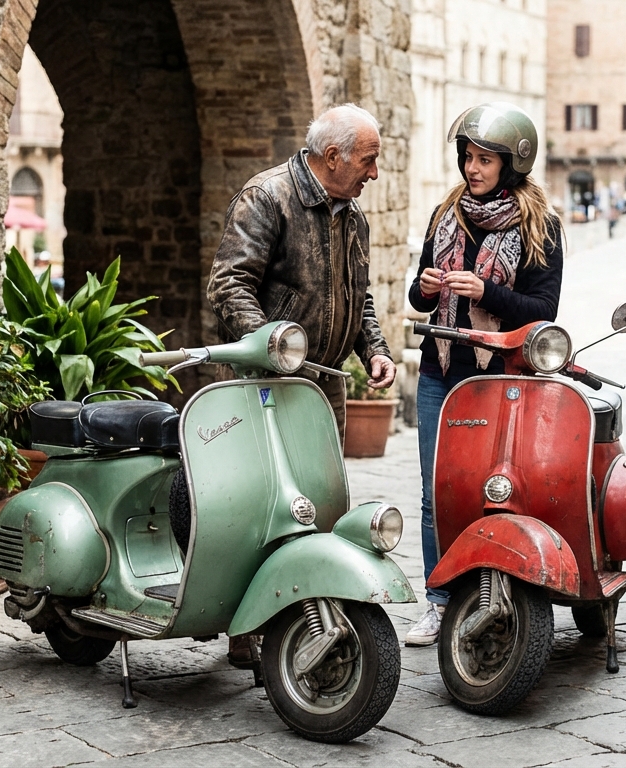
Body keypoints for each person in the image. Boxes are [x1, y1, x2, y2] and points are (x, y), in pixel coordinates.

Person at [207, 105, 398, 665]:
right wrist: (274, 346)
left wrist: (376, 350)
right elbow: (229, 284)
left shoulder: (352, 215)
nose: (374, 174)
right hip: (265, 383)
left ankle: (311, 604)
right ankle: (247, 627)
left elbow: (357, 295)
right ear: (332, 156)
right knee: (261, 503)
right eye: (368, 160)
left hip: (324, 385)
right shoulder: (266, 197)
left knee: (321, 499)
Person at [404, 102, 563, 646]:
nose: (473, 169)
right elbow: (416, 296)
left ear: (511, 165)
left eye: (485, 160)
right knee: (435, 490)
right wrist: (426, 289)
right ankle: (438, 600)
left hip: (500, 379)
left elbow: (545, 309)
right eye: (468, 157)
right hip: (439, 371)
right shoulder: (445, 215)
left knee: (494, 487)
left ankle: (494, 592)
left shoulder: (539, 225)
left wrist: (487, 292)